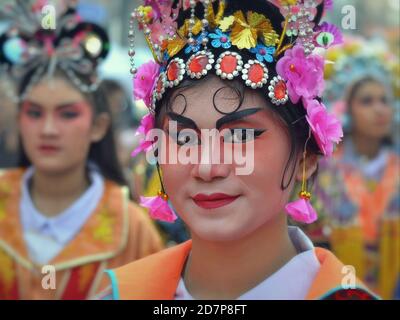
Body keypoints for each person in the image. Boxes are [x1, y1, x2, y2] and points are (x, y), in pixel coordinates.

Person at [99, 0, 379, 300]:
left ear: (306, 156)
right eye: (183, 138)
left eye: (239, 136)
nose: (207, 168)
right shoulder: (124, 294)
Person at [0, 1, 163, 300]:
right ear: (19, 120)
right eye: (34, 113)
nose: (48, 129)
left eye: (67, 114)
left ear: (99, 126)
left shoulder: (132, 231)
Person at [307, 75, 399, 299]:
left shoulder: (396, 166)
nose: (379, 110)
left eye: (384, 101)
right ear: (346, 109)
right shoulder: (323, 170)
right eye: (367, 101)